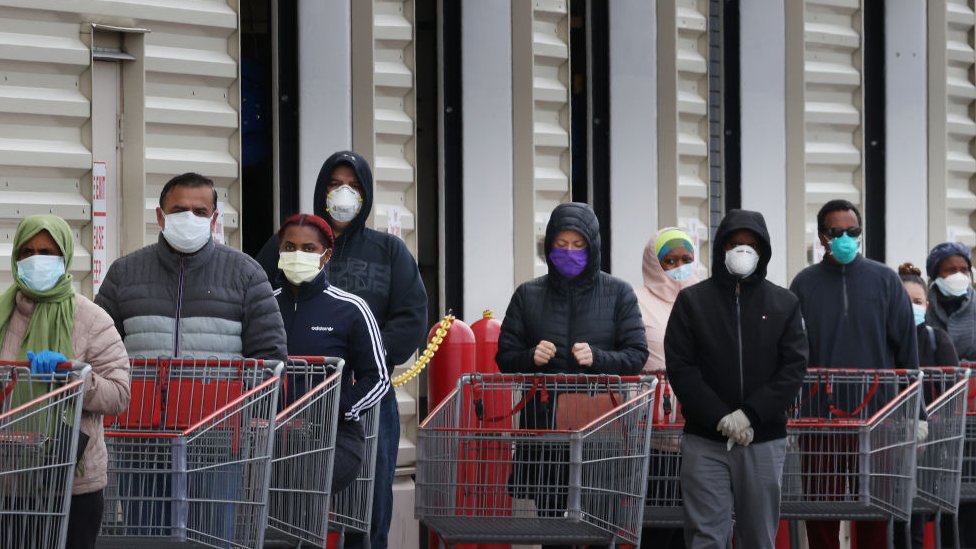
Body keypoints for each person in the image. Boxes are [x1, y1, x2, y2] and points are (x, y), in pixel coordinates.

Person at [95, 172, 287, 542]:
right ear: (160, 216)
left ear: (216, 220)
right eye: (179, 210)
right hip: (139, 440)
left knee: (213, 538)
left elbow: (269, 356)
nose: (190, 218)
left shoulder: (246, 274)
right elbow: (102, 350)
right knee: (144, 537)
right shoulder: (125, 273)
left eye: (200, 211)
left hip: (216, 439)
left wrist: (253, 421)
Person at [255, 151, 427, 549]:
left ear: (365, 195)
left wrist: (367, 355)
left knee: (369, 501)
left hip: (364, 394)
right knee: (290, 502)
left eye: (352, 186)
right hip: (294, 401)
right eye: (334, 184)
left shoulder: (389, 251)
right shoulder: (288, 242)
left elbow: (412, 316)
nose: (342, 193)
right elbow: (259, 301)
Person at [496, 201, 648, 549]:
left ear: (592, 247)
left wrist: (598, 358)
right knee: (553, 532)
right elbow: (505, 356)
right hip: (546, 431)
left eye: (578, 245)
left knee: (599, 526)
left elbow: (636, 355)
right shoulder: (528, 294)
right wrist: (529, 357)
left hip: (601, 432)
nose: (569, 252)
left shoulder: (618, 293)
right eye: (561, 245)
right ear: (549, 246)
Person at [665, 209, 808, 549]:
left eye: (751, 244)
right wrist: (719, 417)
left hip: (763, 439)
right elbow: (681, 366)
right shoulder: (692, 302)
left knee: (758, 536)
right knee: (706, 536)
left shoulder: (784, 302)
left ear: (763, 251)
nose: (742, 251)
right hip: (705, 439)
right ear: (720, 248)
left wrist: (749, 414)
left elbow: (793, 368)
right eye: (734, 243)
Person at [789, 199, 919, 549]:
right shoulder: (803, 285)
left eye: (853, 231)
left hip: (877, 418)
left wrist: (915, 412)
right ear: (822, 237)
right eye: (837, 232)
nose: (846, 237)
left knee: (875, 513)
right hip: (819, 420)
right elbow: (791, 353)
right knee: (821, 514)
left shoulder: (886, 280)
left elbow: (907, 348)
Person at [0, 215, 131, 549]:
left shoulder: (90, 317)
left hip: (72, 483)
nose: (36, 259)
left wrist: (72, 376)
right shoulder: (2, 313)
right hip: (8, 480)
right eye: (27, 251)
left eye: (47, 251)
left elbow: (119, 395)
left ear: (65, 258)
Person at [273, 213, 390, 492]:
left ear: (326, 256)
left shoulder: (351, 309)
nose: (297, 254)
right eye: (289, 247)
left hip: (333, 437)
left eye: (308, 248)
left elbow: (378, 378)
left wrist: (339, 409)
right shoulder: (265, 305)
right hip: (271, 436)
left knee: (303, 478)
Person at [635, 227, 700, 549]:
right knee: (658, 528)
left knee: (697, 526)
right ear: (653, 263)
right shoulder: (637, 301)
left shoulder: (706, 297)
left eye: (686, 259)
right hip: (656, 437)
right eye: (669, 260)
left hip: (703, 435)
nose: (679, 266)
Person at [893, 263, 958, 549]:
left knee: (917, 519)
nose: (912, 308)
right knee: (890, 518)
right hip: (889, 443)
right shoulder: (884, 340)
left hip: (926, 444)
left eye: (917, 302)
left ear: (927, 306)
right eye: (905, 301)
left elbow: (952, 392)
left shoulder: (936, 340)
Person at [923, 242, 976, 548]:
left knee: (969, 492)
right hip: (934, 416)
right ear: (935, 276)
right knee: (937, 491)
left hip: (970, 419)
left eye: (963, 270)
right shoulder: (923, 309)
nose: (958, 275)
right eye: (950, 270)